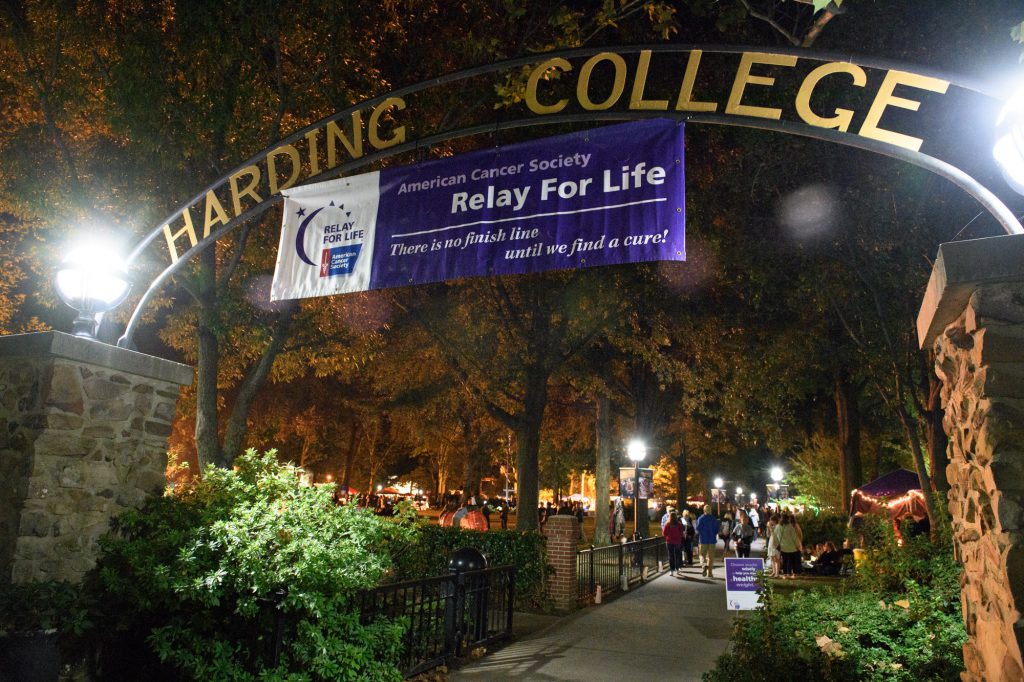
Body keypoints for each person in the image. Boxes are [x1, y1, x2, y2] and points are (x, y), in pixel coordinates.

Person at [773, 512, 803, 578]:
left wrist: (777, 545)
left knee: (785, 561)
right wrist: (798, 545)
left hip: (783, 547)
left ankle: (785, 574)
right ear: (787, 519)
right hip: (792, 547)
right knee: (793, 561)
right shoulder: (790, 527)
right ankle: (794, 574)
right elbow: (794, 537)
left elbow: (775, 537)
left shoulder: (777, 527)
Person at [695, 505, 721, 578]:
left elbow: (698, 528)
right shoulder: (714, 519)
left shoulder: (701, 518)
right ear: (710, 510)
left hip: (703, 540)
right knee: (711, 557)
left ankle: (704, 565)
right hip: (712, 540)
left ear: (704, 510)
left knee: (701, 555)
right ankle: (710, 573)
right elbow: (717, 530)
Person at [663, 511, 684, 576]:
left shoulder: (667, 524)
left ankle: (672, 570)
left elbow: (664, 533)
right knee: (677, 555)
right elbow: (681, 532)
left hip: (669, 542)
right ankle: (677, 569)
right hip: (677, 542)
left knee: (671, 556)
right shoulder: (679, 524)